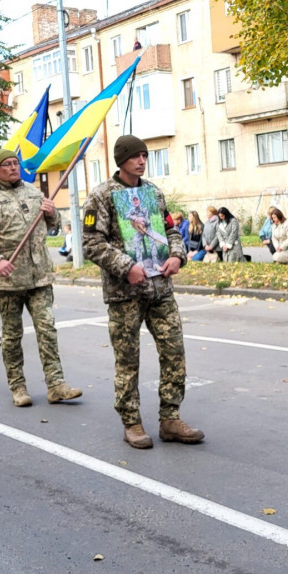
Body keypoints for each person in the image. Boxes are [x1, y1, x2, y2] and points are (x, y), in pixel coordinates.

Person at [82, 135, 204, 449]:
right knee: (128, 359)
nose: (141, 161)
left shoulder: (153, 193)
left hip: (160, 288)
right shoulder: (101, 196)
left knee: (174, 353)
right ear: (120, 160)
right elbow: (92, 243)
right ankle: (131, 422)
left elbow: (171, 229)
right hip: (126, 293)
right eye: (135, 156)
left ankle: (170, 418)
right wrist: (125, 266)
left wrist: (177, 255)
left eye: (144, 156)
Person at [0, 148, 82, 407]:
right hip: (7, 280)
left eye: (15, 163)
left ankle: (56, 384)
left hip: (39, 277)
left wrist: (52, 213)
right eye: (7, 164)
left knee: (47, 329)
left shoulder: (33, 191)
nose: (13, 168)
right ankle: (18, 386)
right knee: (12, 335)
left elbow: (52, 226)